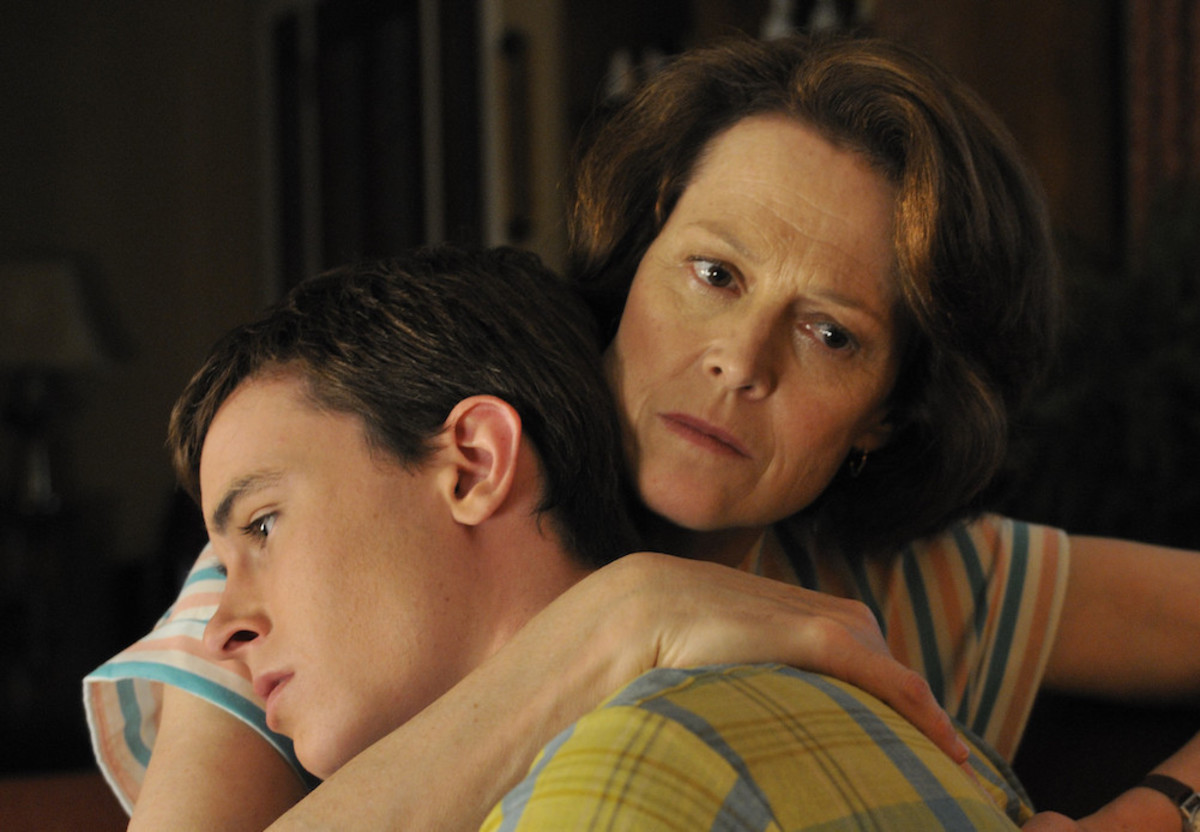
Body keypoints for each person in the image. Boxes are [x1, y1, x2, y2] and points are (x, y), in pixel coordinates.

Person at [84, 32, 1200, 831]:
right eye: (714, 274)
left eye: (830, 333)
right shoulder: (309, 554)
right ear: (637, 255)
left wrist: (1152, 814)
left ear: (886, 415)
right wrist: (625, 619)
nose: (741, 361)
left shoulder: (891, 575)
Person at [153, 245, 1028, 829]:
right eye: (220, 564)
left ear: (474, 463)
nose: (215, 628)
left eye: (263, 524)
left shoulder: (621, 781)